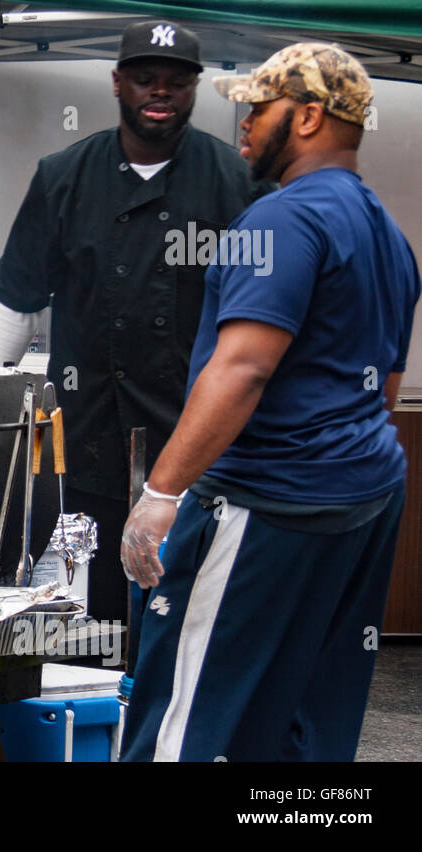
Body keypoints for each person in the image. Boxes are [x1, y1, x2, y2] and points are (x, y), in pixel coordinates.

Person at [119, 43, 419, 761]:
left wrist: (162, 494)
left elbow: (243, 369)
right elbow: (387, 388)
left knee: (185, 716)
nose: (245, 124)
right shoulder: (389, 235)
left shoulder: (281, 221)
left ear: (310, 117)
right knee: (305, 716)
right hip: (364, 497)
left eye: (260, 108)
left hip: (266, 502)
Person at [0, 20, 268, 623]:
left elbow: (264, 323)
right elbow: (17, 299)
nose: (158, 92)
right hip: (82, 447)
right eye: (144, 79)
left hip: (194, 448)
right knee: (91, 614)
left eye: (175, 82)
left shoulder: (235, 185)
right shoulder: (64, 177)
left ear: (194, 89)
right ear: (117, 83)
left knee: (183, 613)